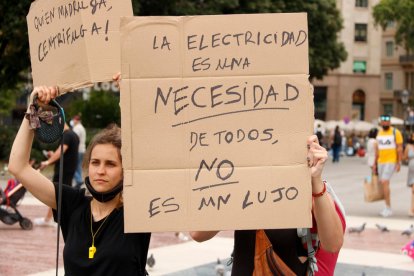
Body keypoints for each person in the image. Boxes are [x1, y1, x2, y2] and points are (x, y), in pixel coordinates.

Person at [8, 86, 150, 275]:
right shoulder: (73, 203)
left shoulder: (138, 210)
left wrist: (130, 96)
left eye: (110, 164)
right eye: (95, 162)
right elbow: (18, 167)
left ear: (126, 170)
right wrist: (34, 108)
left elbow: (147, 141)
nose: (100, 171)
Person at [190, 135, 345, 275]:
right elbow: (198, 234)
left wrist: (315, 180)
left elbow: (333, 245)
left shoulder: (308, 190)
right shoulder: (244, 185)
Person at [34, 122, 79, 226]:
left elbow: (61, 151)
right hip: (68, 170)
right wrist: (52, 155)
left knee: (56, 195)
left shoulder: (67, 135)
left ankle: (48, 220)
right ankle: (64, 219)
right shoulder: (73, 135)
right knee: (62, 195)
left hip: (63, 171)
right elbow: (65, 153)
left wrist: (47, 162)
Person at [373, 114, 403, 217]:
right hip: (381, 161)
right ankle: (387, 206)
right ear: (381, 122)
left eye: (387, 121)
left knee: (384, 182)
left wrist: (399, 162)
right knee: (384, 184)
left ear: (390, 122)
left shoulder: (396, 132)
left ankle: (388, 208)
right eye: (383, 121)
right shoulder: (379, 133)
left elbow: (399, 149)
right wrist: (374, 164)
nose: (385, 123)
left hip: (391, 161)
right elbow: (377, 149)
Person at [72, 114, 87, 189]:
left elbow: (75, 139)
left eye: (74, 119)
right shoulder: (82, 128)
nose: (73, 121)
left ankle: (79, 181)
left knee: (74, 166)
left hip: (77, 150)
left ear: (77, 120)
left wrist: (73, 149)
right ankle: (80, 182)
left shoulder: (77, 128)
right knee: (79, 166)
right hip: (82, 150)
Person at [403, 132, 414, 217]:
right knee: (413, 190)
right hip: (412, 170)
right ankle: (411, 209)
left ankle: (412, 209)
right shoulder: (408, 147)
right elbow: (404, 157)